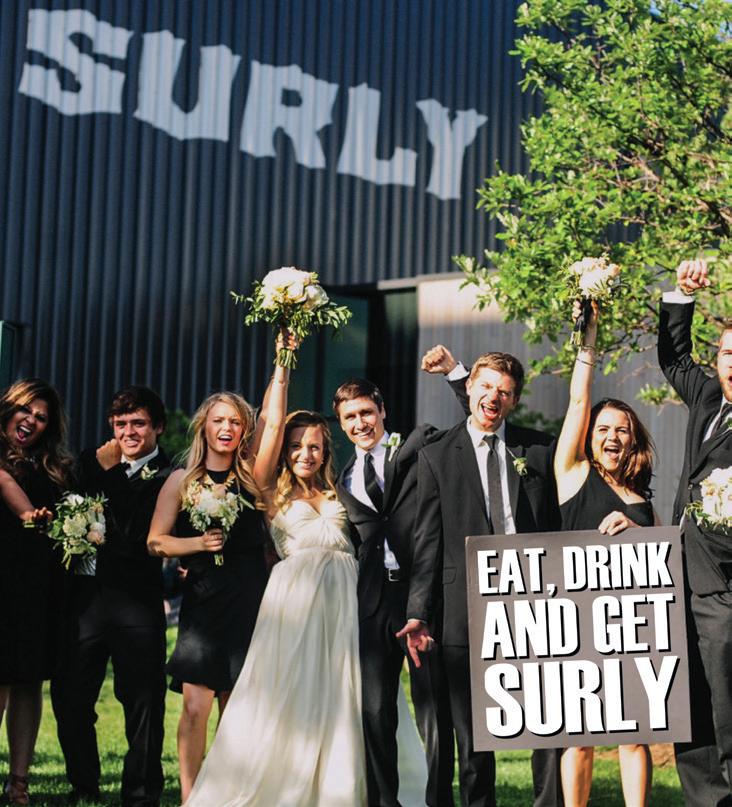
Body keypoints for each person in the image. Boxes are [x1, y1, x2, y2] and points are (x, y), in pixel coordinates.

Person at [182, 340, 367, 806]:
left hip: (344, 601)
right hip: (296, 603)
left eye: (315, 446)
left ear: (326, 451)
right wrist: (283, 364)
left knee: (341, 693)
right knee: (293, 692)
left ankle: (337, 786)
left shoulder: (341, 489)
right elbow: (269, 420)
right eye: (297, 446)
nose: (306, 453)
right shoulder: (266, 489)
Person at [400, 350, 564, 807]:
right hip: (463, 606)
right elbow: (427, 540)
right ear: (469, 386)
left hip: (533, 601)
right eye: (486, 386)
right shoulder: (435, 455)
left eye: (505, 392)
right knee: (472, 734)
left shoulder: (539, 449)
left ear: (515, 401)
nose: (494, 398)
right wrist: (418, 612)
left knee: (547, 717)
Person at [333, 378, 455, 807]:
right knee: (374, 711)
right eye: (350, 417)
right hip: (371, 604)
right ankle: (385, 802)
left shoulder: (419, 445)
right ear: (341, 424)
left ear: (382, 410)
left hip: (420, 595)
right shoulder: (342, 478)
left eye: (366, 412)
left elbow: (471, 425)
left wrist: (455, 375)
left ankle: (439, 801)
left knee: (432, 709)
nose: (360, 423)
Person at [554, 303, 656, 807]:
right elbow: (578, 401)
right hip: (577, 620)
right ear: (589, 438)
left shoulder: (643, 501)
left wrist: (639, 531)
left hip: (631, 625)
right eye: (602, 429)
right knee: (580, 736)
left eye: (621, 429)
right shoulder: (573, 475)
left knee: (634, 734)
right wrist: (588, 338)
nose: (611, 436)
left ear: (632, 439)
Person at [51, 386, 171, 807]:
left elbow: (138, 536)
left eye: (138, 423)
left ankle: (140, 793)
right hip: (86, 600)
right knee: (69, 695)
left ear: (158, 427)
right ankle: (83, 783)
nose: (128, 432)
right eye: (120, 424)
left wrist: (110, 473)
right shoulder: (90, 462)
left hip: (138, 601)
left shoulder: (169, 476)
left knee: (143, 701)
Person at [147, 392, 269, 803]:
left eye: (235, 421)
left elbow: (272, 421)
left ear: (244, 430)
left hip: (249, 601)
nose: (226, 428)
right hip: (203, 604)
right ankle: (190, 796)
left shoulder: (252, 478)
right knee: (195, 707)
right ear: (204, 426)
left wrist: (282, 368)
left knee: (235, 710)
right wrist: (197, 544)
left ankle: (229, 795)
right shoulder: (181, 480)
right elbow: (156, 541)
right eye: (219, 420)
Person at [658, 259, 732, 805]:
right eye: (729, 354)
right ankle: (706, 799)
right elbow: (672, 356)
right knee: (687, 700)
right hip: (677, 572)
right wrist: (682, 296)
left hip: (723, 583)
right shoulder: (707, 397)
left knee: (727, 699)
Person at [0, 378, 74, 806]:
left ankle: (19, 783)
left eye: (41, 417)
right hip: (1, 585)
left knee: (29, 683)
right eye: (25, 410)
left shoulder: (55, 469)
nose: (31, 420)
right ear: (8, 409)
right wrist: (28, 514)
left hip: (37, 589)